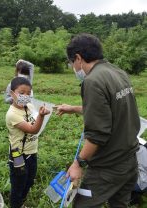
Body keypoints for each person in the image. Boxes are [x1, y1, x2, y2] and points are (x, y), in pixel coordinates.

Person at [55, 33, 140, 207]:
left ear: (78, 58)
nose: (72, 67)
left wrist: (77, 163)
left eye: (71, 62)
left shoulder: (93, 80)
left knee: (82, 205)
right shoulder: (117, 72)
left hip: (108, 167)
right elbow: (112, 110)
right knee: (119, 204)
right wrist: (73, 109)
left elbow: (97, 134)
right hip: (130, 161)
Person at [6, 77, 49, 208]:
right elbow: (33, 129)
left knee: (29, 181)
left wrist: (41, 113)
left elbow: (35, 121)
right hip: (18, 155)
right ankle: (16, 204)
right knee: (18, 183)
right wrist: (41, 116)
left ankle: (21, 203)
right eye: (21, 92)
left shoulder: (29, 106)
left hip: (31, 152)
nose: (25, 96)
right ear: (12, 93)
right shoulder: (12, 114)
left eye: (28, 93)